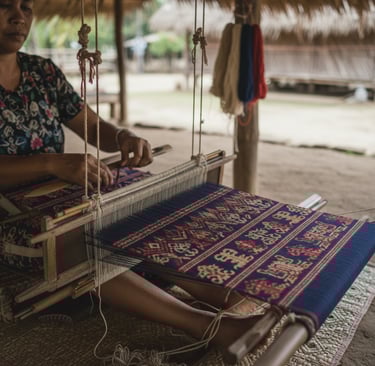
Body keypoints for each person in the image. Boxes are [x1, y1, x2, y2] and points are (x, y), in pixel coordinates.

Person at [0, 0, 263, 362]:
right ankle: (208, 325)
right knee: (81, 241)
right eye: (4, 6)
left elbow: (90, 126)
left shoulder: (41, 72)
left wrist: (122, 137)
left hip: (61, 193)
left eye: (25, 7)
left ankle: (223, 296)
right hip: (9, 214)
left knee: (139, 209)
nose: (18, 17)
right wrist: (51, 163)